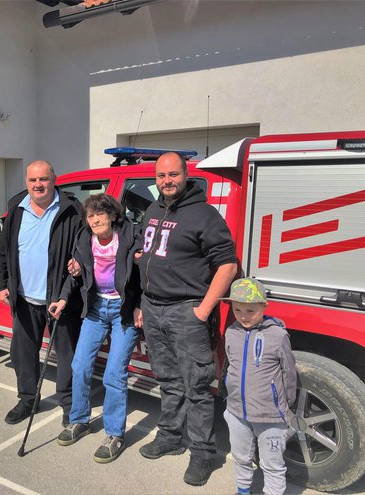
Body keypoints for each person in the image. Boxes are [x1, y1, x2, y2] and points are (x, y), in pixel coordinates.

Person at [136, 152, 237, 486]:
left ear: (185, 174)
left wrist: (203, 310)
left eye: (174, 174)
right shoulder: (152, 210)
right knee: (167, 379)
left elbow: (227, 265)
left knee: (196, 386)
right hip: (153, 308)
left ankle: (203, 453)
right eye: (162, 175)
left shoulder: (204, 215)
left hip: (187, 311)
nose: (167, 181)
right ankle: (169, 436)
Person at [49, 193, 142, 463]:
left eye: (101, 214)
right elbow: (75, 274)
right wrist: (63, 299)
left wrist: (140, 305)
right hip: (96, 308)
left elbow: (145, 274)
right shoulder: (83, 240)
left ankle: (115, 434)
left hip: (123, 311)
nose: (95, 219)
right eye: (91, 215)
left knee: (114, 373)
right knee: (80, 366)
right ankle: (79, 420)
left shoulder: (129, 238)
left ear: (113, 216)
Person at [0, 160, 83, 426]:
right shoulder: (16, 209)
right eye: (33, 180)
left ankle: (69, 404)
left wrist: (79, 262)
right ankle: (27, 400)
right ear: (26, 182)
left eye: (43, 179)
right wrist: (1, 284)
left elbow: (83, 248)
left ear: (54, 179)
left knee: (67, 357)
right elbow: (4, 249)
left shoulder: (72, 210)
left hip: (60, 300)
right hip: (23, 298)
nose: (38, 185)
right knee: (23, 353)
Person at [222, 278, 297, 495]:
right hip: (237, 412)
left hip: (270, 416)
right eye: (237, 310)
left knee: (272, 464)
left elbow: (289, 372)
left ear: (264, 306)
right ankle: (243, 490)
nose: (243, 316)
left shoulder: (278, 335)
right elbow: (231, 365)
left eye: (250, 310)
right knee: (241, 457)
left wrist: (286, 404)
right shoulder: (231, 332)